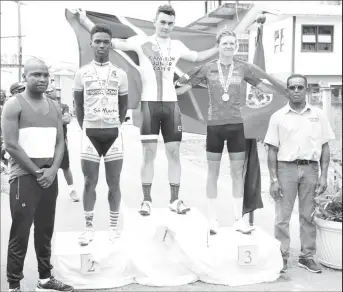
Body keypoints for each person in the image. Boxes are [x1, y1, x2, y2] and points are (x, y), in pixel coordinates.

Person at [76, 4, 218, 216]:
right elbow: (111, 42)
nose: (166, 27)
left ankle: (174, 199)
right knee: (148, 154)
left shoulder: (177, 46)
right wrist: (85, 21)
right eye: (162, 22)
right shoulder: (141, 42)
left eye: (170, 23)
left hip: (172, 106)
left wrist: (221, 47)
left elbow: (197, 57)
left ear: (173, 25)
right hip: (149, 105)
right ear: (155, 22)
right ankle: (147, 200)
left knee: (174, 154)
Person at [175, 29, 287, 234]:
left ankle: (238, 220)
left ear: (236, 46)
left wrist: (284, 90)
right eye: (224, 43)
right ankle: (212, 219)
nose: (228, 46)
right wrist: (169, 86)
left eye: (231, 44)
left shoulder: (243, 68)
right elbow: (185, 88)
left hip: (237, 127)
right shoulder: (207, 68)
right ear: (218, 46)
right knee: (213, 174)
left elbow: (262, 86)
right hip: (214, 127)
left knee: (237, 174)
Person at [1, 58, 73, 292]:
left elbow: (60, 142)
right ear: (25, 76)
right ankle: (14, 285)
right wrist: (37, 171)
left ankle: (45, 279)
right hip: (24, 178)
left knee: (45, 229)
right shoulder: (14, 104)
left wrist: (52, 171)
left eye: (45, 75)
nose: (42, 79)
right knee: (20, 232)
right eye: (36, 75)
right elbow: (11, 145)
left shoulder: (54, 106)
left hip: (48, 178)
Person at [264, 74, 335, 274]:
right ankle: (282, 256)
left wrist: (323, 175)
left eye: (300, 87)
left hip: (310, 169)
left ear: (307, 90)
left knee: (308, 215)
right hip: (285, 169)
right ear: (287, 91)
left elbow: (325, 146)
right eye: (292, 87)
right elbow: (272, 149)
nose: (296, 91)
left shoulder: (318, 115)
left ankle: (307, 256)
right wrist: (274, 179)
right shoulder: (278, 117)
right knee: (282, 217)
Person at [73, 24, 128, 246]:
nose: (102, 45)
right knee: (89, 182)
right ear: (91, 43)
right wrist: (86, 126)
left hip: (114, 133)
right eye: (98, 41)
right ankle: (88, 229)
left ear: (110, 44)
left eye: (106, 41)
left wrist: (116, 123)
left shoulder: (120, 74)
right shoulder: (81, 73)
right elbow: (78, 106)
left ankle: (113, 228)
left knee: (114, 182)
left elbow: (123, 107)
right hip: (90, 134)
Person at [45, 86, 80, 202]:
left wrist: (49, 119)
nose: (49, 93)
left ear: (56, 93)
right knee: (46, 167)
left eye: (51, 91)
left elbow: (67, 120)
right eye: (47, 91)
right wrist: (58, 119)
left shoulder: (63, 106)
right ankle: (47, 193)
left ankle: (72, 190)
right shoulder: (43, 105)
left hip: (60, 141)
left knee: (65, 166)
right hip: (46, 141)